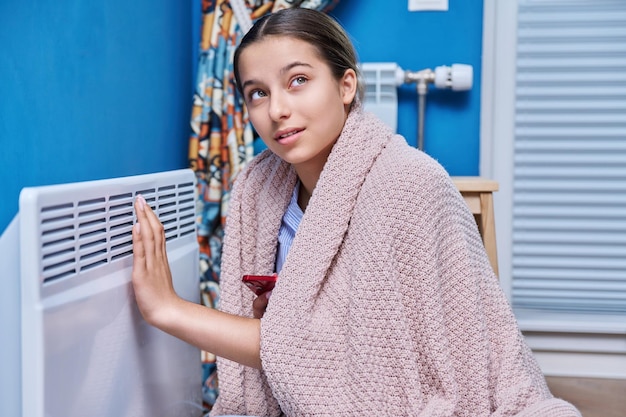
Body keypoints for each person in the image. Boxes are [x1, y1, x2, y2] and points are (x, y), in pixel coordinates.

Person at [131, 7, 581, 417]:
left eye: (298, 80)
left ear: (346, 86)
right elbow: (292, 339)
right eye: (258, 93)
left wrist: (167, 308)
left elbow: (353, 366)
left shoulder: (409, 184)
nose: (278, 110)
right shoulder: (256, 187)